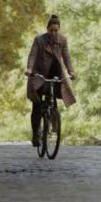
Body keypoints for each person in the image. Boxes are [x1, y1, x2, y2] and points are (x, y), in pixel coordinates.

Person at [25, 15, 77, 146]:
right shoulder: (39, 40)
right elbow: (32, 55)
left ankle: (54, 120)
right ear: (47, 29)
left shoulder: (62, 41)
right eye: (51, 30)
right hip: (39, 74)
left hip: (55, 72)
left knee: (53, 98)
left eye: (56, 30)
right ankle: (36, 134)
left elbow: (67, 58)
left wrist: (71, 71)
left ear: (59, 30)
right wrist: (29, 69)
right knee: (37, 105)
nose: (53, 33)